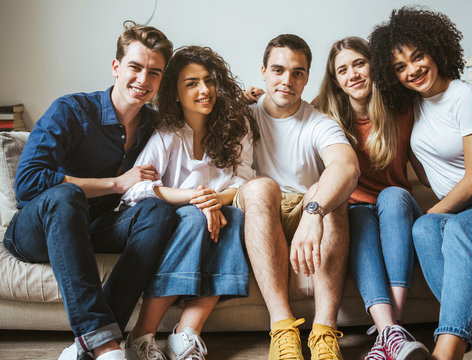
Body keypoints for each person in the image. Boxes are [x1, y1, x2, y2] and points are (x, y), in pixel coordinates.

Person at [369, 7, 472, 360]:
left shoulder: (466, 96)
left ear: (436, 50)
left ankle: (446, 352)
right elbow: (350, 101)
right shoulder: (411, 107)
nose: (412, 70)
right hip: (461, 212)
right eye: (400, 67)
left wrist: (433, 212)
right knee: (424, 230)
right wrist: (257, 98)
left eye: (418, 57)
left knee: (450, 226)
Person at [2, 21, 177, 360]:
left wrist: (245, 102)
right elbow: (28, 184)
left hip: (98, 227)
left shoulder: (155, 126)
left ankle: (94, 344)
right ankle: (107, 347)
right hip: (39, 228)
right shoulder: (71, 111)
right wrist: (117, 182)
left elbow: (200, 118)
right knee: (67, 196)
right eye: (135, 67)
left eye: (154, 73)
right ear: (116, 67)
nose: (143, 80)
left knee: (159, 211)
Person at [119, 45, 258, 360]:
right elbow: (135, 190)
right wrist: (196, 197)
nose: (205, 90)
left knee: (234, 218)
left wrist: (214, 200)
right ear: (177, 94)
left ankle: (186, 333)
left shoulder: (239, 126)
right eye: (191, 83)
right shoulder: (167, 134)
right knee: (195, 217)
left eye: (209, 80)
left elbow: (243, 179)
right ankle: (141, 335)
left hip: (219, 211)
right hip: (172, 219)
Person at [241, 34, 360, 360]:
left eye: (298, 73)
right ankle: (283, 330)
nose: (287, 81)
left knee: (329, 191)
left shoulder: (319, 122)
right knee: (261, 187)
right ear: (263, 71)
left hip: (307, 214)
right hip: (258, 211)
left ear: (307, 77)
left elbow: (346, 166)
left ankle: (323, 334)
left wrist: (314, 209)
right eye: (278, 70)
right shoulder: (242, 116)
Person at [313, 36, 429, 360]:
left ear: (374, 66)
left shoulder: (403, 106)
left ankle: (392, 328)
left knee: (392, 196)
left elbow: (429, 159)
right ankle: (390, 334)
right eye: (343, 70)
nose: (353, 74)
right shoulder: (327, 118)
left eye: (359, 63)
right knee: (357, 212)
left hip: (398, 207)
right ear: (336, 81)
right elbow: (284, 111)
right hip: (357, 209)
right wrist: (252, 95)